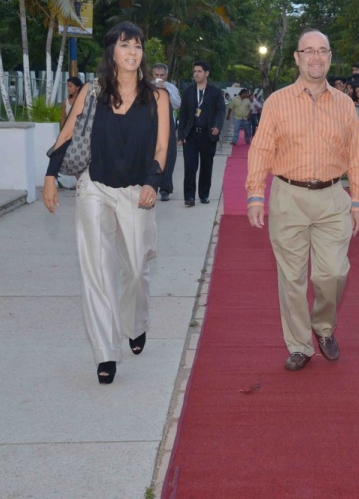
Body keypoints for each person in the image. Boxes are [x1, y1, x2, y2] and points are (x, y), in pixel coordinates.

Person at [43, 22, 170, 385]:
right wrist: (51, 175)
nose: (132, 52)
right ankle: (105, 352)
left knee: (135, 268)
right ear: (112, 51)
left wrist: (152, 180)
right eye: (125, 45)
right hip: (94, 186)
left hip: (136, 191)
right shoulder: (92, 91)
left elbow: (162, 147)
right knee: (97, 270)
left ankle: (136, 323)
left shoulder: (156, 97)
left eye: (138, 46)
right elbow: (67, 133)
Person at [246, 28, 359, 371]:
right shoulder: (277, 102)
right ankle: (299, 344)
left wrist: (357, 201)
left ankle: (323, 326)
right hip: (288, 196)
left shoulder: (345, 105)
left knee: (332, 274)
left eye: (322, 51)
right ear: (297, 58)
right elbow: (261, 150)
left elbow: (357, 156)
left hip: (332, 198)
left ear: (330, 57)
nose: (316, 57)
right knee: (292, 278)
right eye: (308, 51)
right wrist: (255, 194)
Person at [177, 60, 225, 206]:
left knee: (206, 167)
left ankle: (204, 195)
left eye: (199, 71)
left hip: (208, 134)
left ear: (206, 73)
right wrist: (181, 135)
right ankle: (189, 197)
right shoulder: (188, 92)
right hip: (191, 135)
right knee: (190, 167)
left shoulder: (215, 92)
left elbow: (221, 111)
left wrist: (217, 126)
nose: (196, 74)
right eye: (195, 71)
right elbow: (183, 114)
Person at [152, 64, 180, 201]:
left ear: (166, 75)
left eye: (161, 75)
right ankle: (151, 184)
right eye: (156, 75)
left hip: (168, 125)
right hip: (151, 125)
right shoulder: (146, 87)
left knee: (169, 156)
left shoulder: (171, 88)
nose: (159, 78)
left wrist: (166, 92)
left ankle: (165, 188)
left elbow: (177, 104)